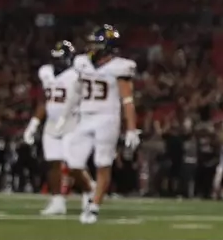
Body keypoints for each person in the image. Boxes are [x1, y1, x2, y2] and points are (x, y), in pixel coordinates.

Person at [64, 24, 139, 224]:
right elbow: (77, 89)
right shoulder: (81, 62)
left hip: (107, 118)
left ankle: (94, 208)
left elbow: (127, 101)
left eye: (95, 43)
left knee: (102, 163)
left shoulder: (120, 67)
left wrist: (131, 129)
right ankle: (91, 189)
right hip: (85, 116)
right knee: (72, 162)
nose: (91, 46)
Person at [23, 40, 79, 216]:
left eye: (60, 58)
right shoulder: (46, 73)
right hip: (52, 123)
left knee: (75, 164)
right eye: (55, 58)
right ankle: (57, 201)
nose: (57, 62)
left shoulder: (77, 75)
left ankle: (89, 193)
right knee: (53, 162)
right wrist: (33, 124)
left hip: (72, 121)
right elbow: (44, 101)